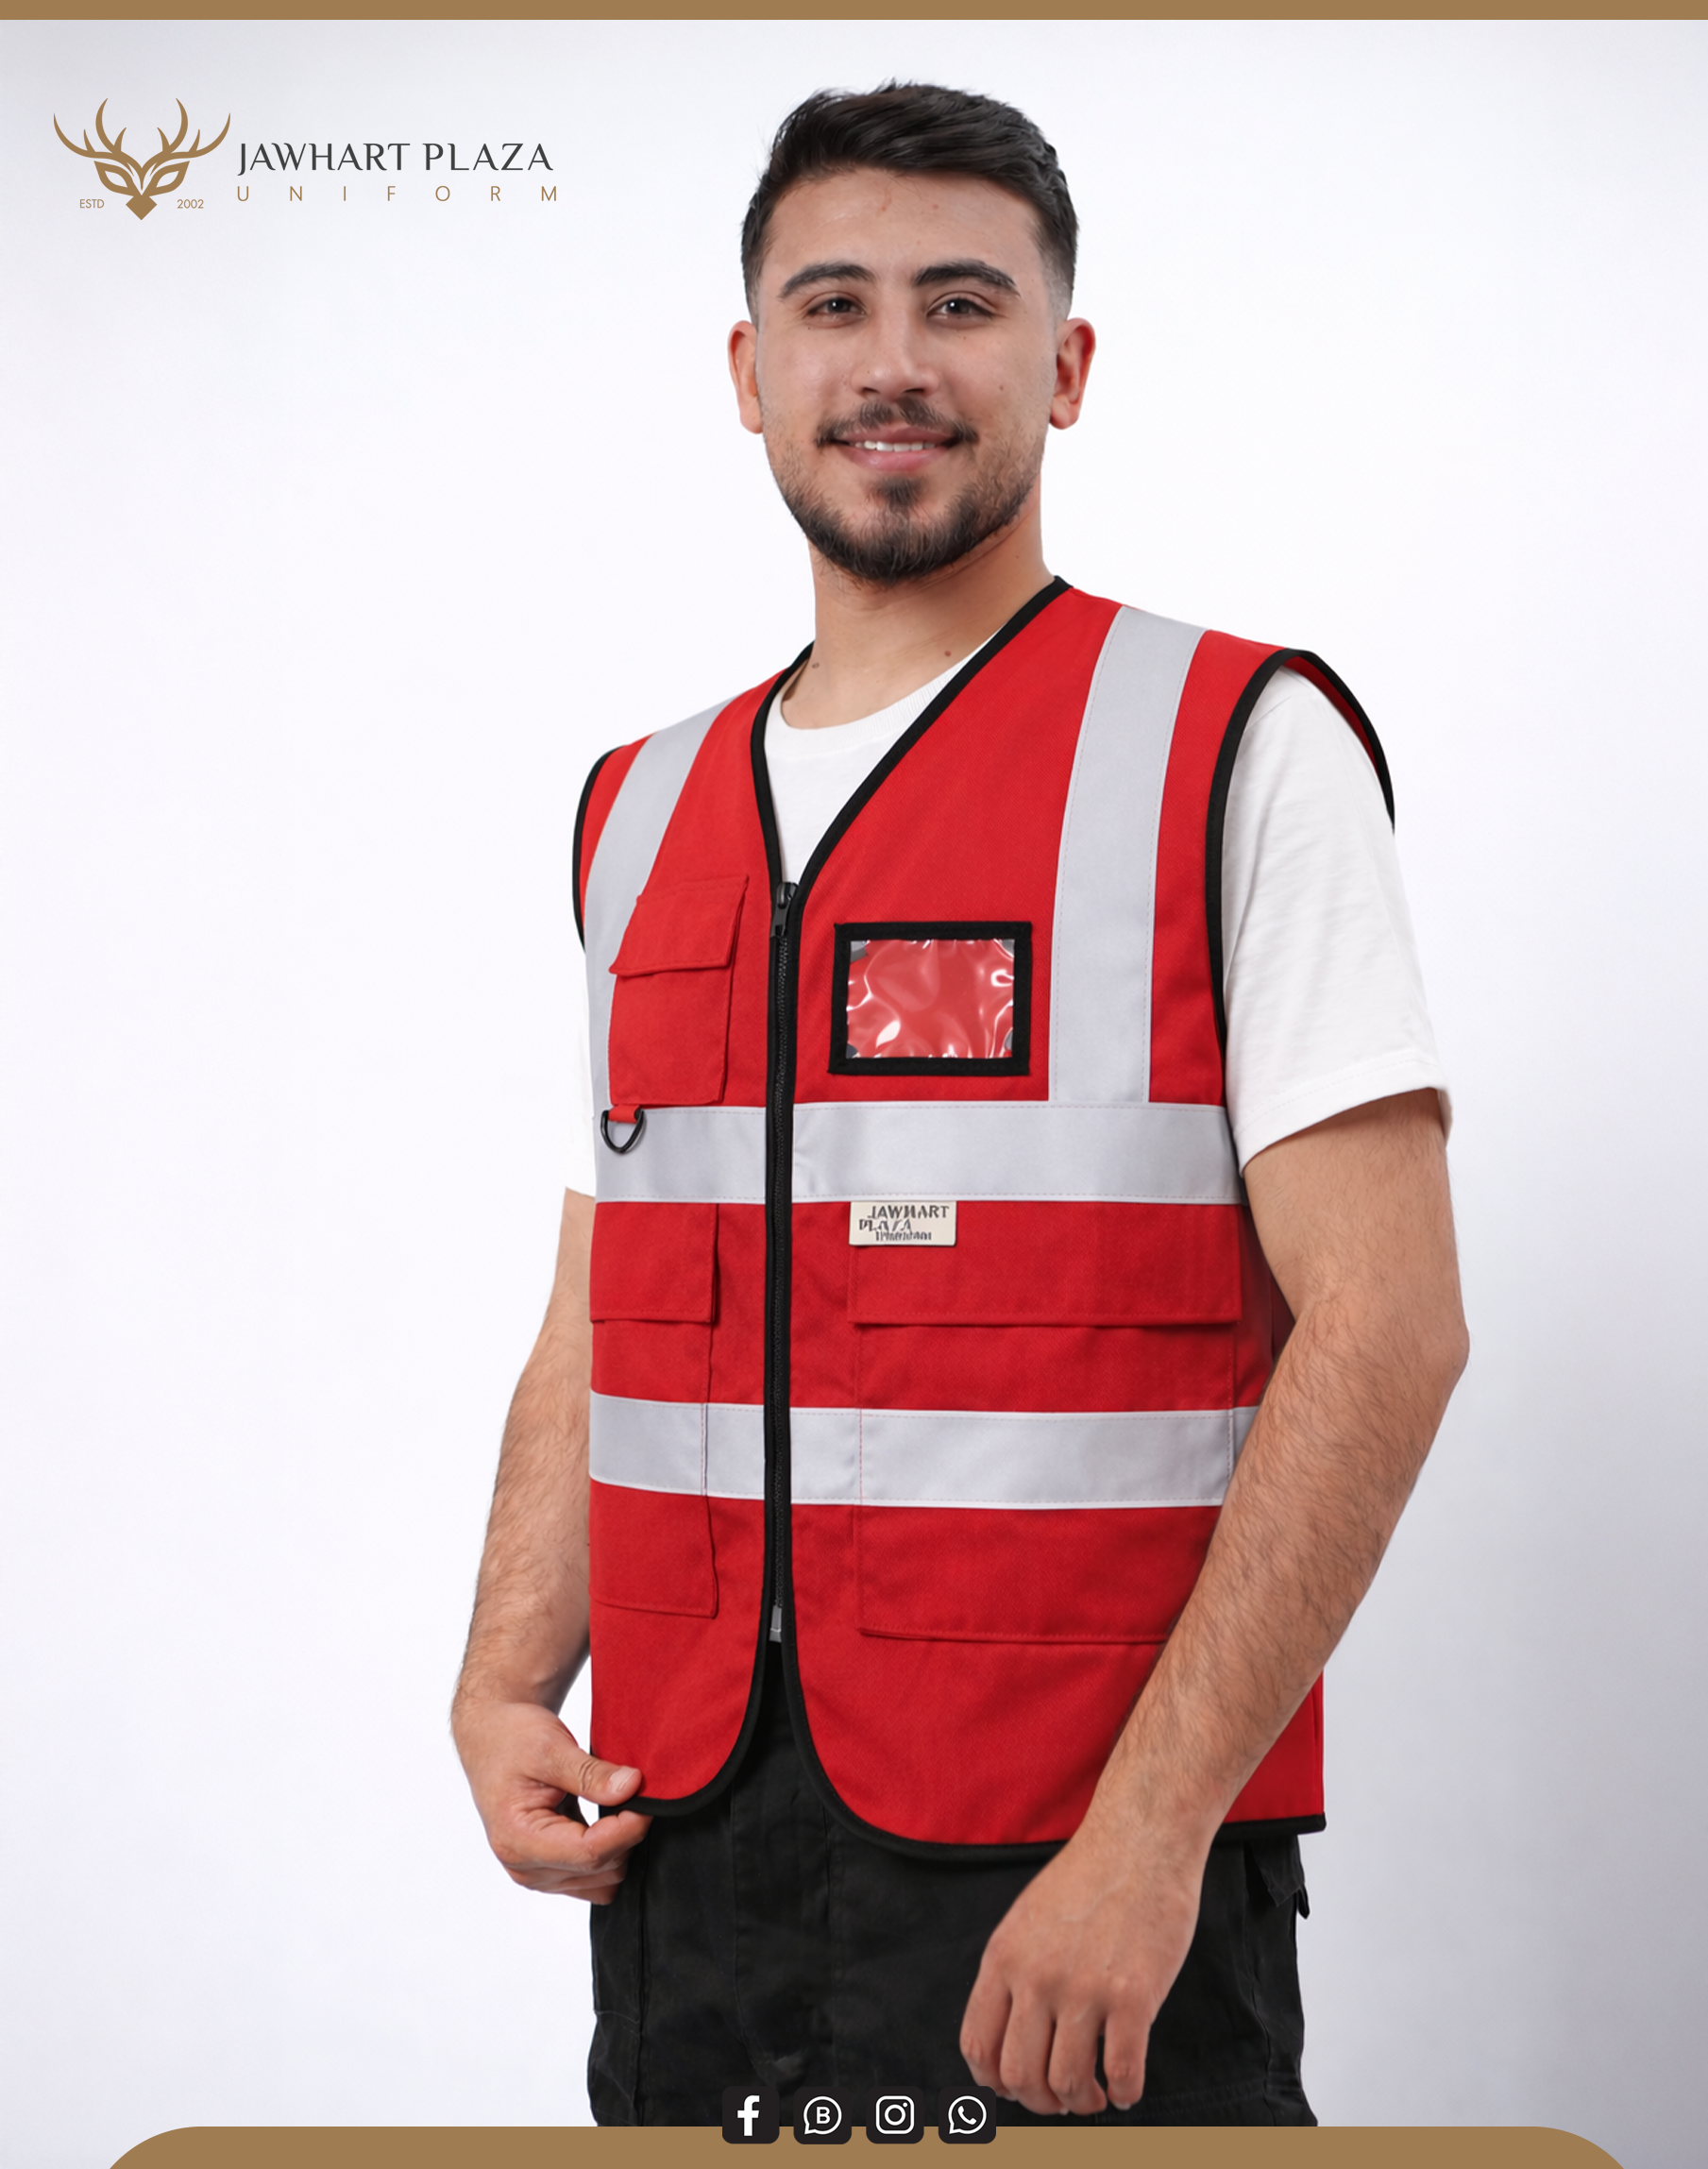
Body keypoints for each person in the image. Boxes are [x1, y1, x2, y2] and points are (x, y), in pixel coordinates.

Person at [451, 81, 1466, 2128]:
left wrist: (1149, 1841)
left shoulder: (1235, 744)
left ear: (1065, 367)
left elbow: (1388, 1327)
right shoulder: (638, 809)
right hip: (686, 1845)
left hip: (1076, 1875)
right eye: (832, 305)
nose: (893, 362)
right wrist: (499, 1680)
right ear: (750, 374)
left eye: (963, 304)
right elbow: (603, 1309)